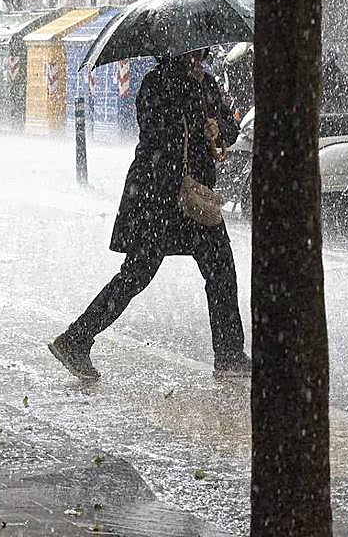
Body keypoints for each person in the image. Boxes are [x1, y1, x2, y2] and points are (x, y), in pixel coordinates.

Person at [48, 48, 251, 380]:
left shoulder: (206, 85)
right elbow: (158, 135)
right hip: (159, 198)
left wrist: (218, 130)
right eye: (195, 52)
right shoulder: (157, 84)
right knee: (137, 274)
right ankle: (77, 338)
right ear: (179, 51)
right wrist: (196, 121)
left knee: (220, 269)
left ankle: (229, 353)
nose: (202, 56)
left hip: (194, 198)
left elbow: (229, 129)